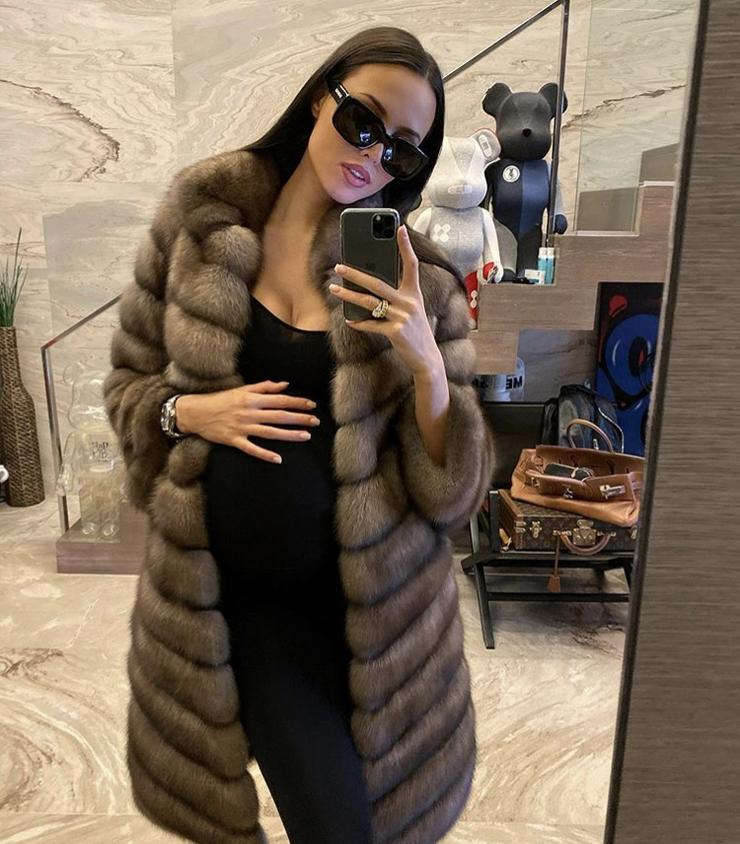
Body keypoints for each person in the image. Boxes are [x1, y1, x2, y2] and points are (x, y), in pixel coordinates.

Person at [153, 26, 466, 844]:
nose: (373, 156)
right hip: (249, 602)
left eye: (402, 150)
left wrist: (428, 365)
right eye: (363, 121)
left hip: (379, 615)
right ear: (321, 99)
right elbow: (128, 388)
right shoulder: (202, 223)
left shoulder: (423, 281)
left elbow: (450, 494)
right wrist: (189, 412)